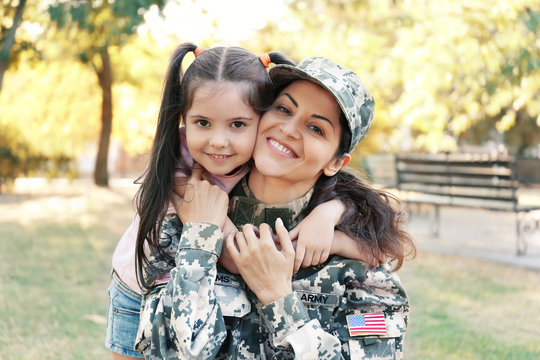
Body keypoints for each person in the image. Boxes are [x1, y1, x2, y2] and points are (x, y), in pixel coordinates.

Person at [134, 57, 416, 359]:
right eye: (283, 109)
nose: (289, 129)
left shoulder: (359, 263)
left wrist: (278, 297)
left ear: (336, 162)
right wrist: (200, 244)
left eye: (316, 128)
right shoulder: (193, 218)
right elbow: (172, 352)